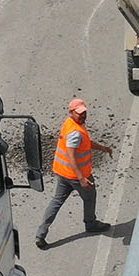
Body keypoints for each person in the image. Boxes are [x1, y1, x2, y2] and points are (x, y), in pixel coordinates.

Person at [35, 97, 112, 248]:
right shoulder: (75, 132)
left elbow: (85, 144)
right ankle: (91, 224)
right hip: (75, 175)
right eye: (79, 113)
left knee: (56, 201)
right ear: (71, 112)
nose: (83, 116)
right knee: (90, 196)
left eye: (84, 113)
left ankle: (40, 234)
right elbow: (71, 156)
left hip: (62, 172)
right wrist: (81, 178)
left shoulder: (69, 123)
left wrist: (103, 148)